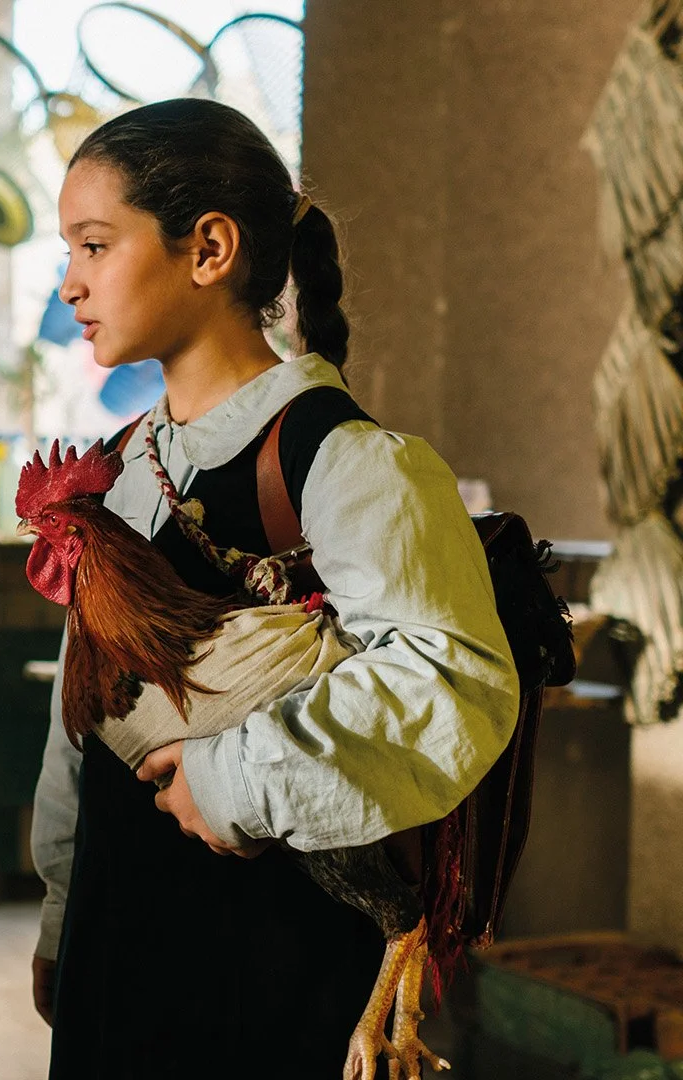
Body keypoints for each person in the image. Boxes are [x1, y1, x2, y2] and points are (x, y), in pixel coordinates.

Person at [27, 99, 520, 1075]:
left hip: (275, 951)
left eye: (93, 244)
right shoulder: (123, 465)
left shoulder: (346, 463)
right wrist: (59, 906)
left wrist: (234, 778)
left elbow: (451, 678)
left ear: (208, 248)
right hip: (122, 928)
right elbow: (78, 714)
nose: (70, 283)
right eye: (67, 251)